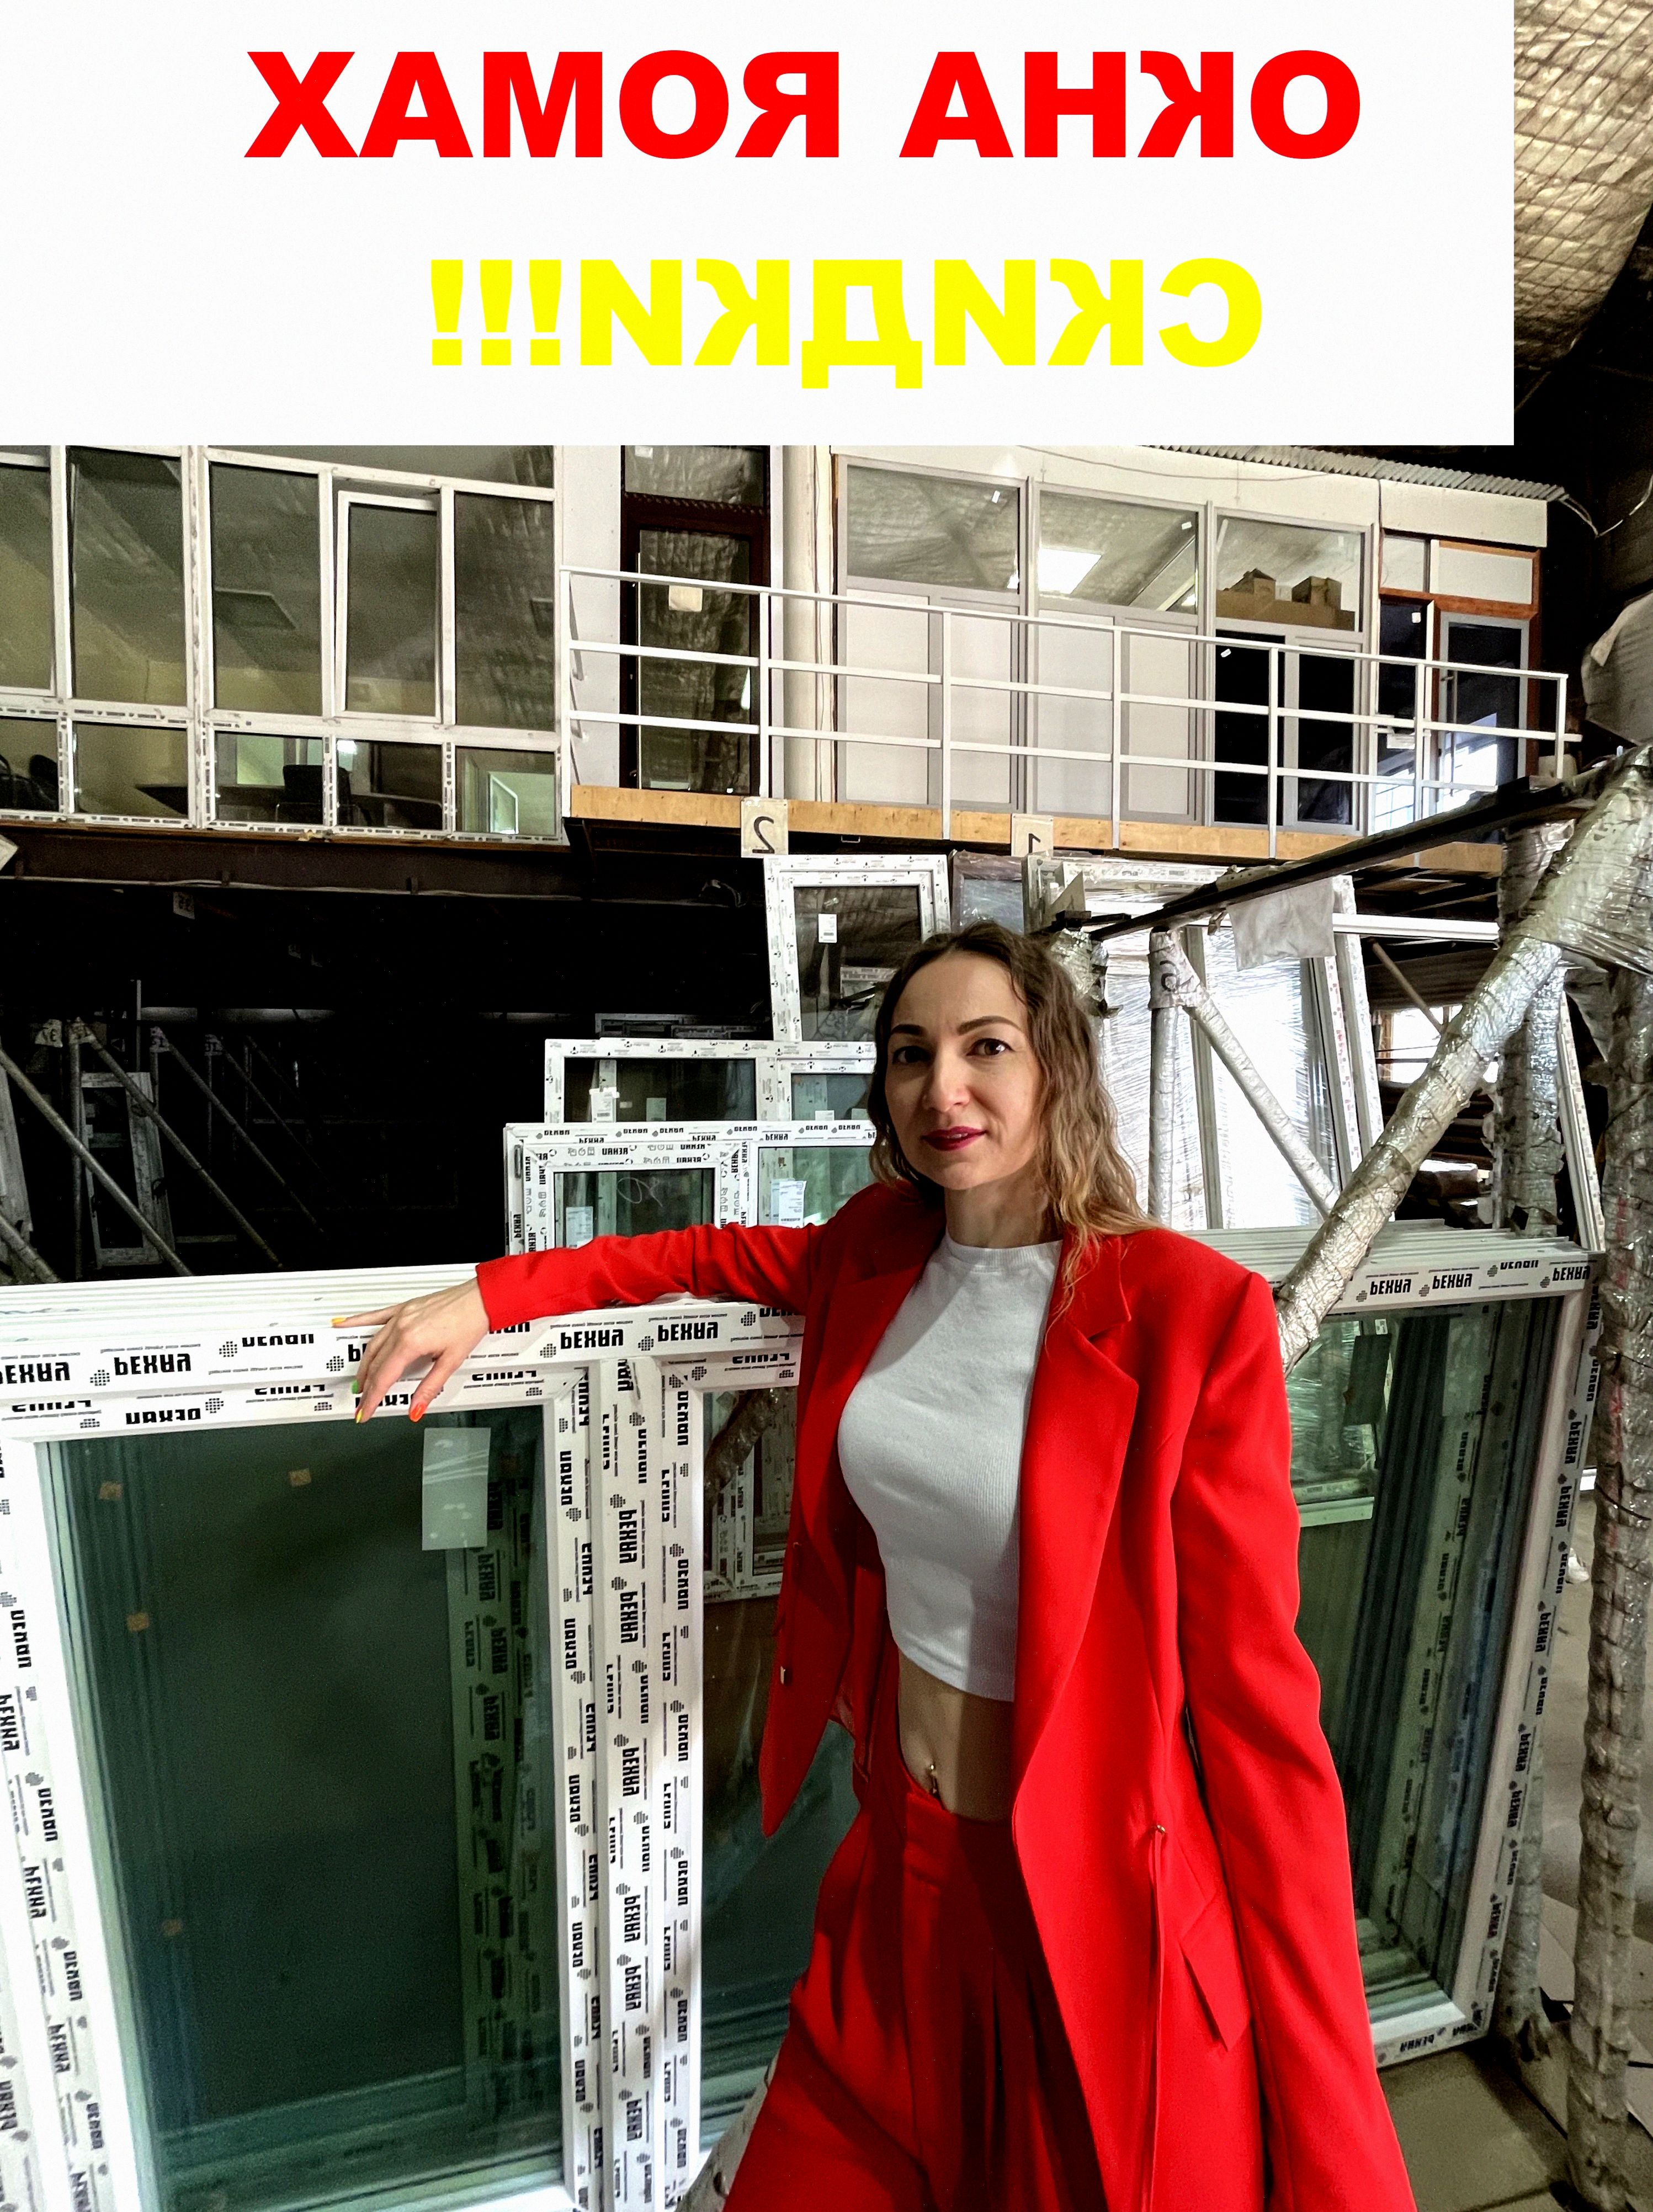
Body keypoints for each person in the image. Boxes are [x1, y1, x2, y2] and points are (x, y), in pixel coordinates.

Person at [345, 920, 1416, 2212]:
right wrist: (491, 1296)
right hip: (898, 1875)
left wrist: (1336, 2133)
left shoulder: (1188, 1314)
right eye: (910, 1054)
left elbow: (1258, 1723)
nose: (941, 1088)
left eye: (985, 1047)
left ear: (1059, 1067)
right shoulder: (873, 1250)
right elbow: (694, 1256)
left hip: (1085, 1922)